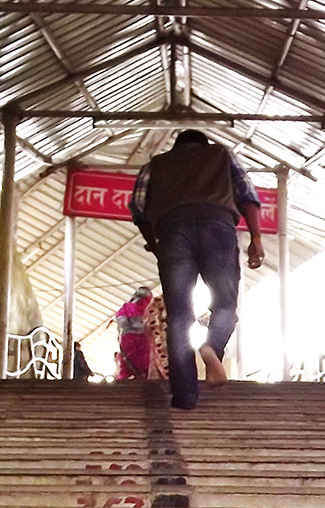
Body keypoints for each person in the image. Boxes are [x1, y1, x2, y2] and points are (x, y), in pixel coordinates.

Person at [130, 130, 265, 409]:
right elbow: (247, 196)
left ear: (176, 147)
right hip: (218, 228)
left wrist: (154, 243)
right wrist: (256, 239)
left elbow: (138, 208)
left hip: (173, 232)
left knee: (180, 315)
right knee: (225, 305)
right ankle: (211, 346)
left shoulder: (155, 164)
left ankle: (186, 396)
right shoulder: (222, 155)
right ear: (205, 145)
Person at [113, 286, 154, 379]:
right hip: (147, 341)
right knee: (147, 366)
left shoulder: (125, 307)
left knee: (127, 366)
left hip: (128, 340)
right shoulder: (152, 307)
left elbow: (121, 323)